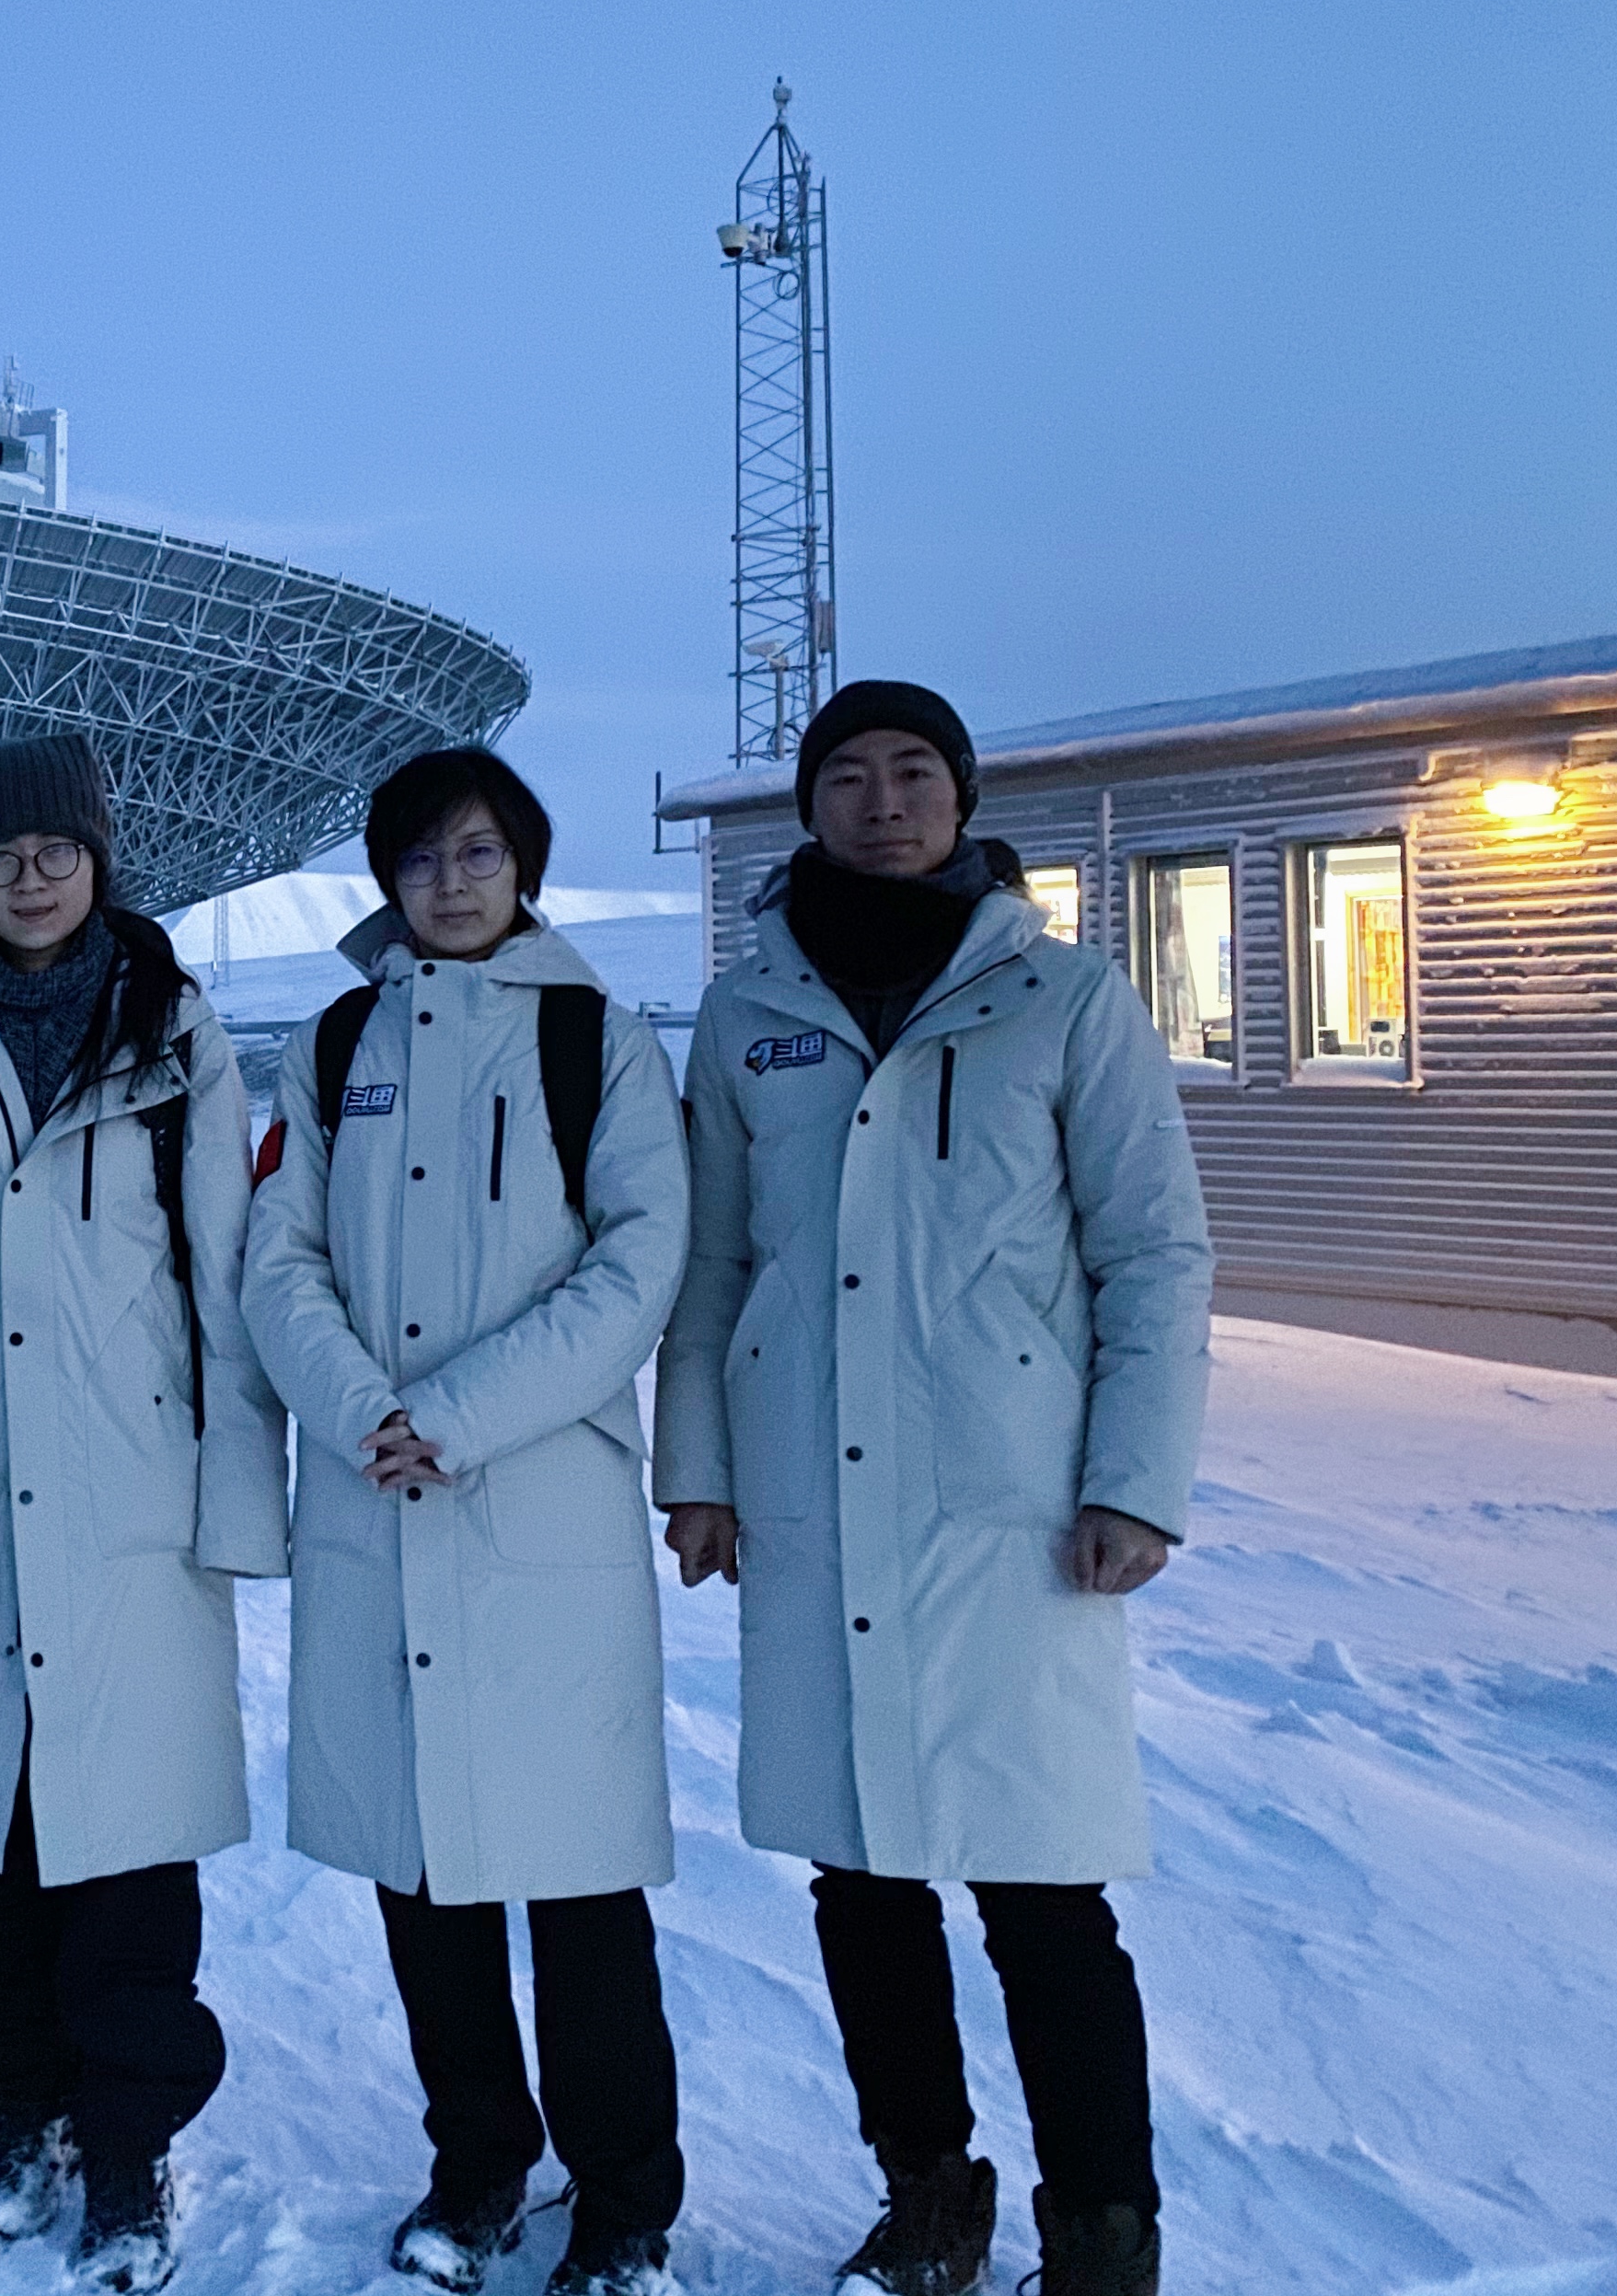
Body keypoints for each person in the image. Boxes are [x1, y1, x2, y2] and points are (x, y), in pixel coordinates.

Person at [653, 680, 1212, 2296]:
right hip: (813, 1501)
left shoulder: (1062, 999)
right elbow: (714, 1259)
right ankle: (931, 2199)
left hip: (1015, 1511)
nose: (882, 801)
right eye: (848, 774)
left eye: (914, 773)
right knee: (865, 1885)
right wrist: (699, 1468)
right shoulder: (746, 1010)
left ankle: (1104, 2236)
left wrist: (1137, 1481)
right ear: (809, 804)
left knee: (1045, 1898)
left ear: (961, 801)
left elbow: (1154, 1255)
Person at [240, 746, 695, 2296]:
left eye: (482, 851)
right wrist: (358, 1403)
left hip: (536, 1515)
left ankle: (627, 2199)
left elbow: (642, 1263)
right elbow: (275, 1254)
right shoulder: (335, 1038)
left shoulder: (594, 1041)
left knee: (577, 1888)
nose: (452, 879)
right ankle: (480, 2166)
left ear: (527, 867)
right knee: (425, 1883)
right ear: (385, 877)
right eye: (423, 855)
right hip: (375, 1507)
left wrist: (454, 1414)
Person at [0, 733, 291, 2296]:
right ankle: (24, 2107)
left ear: (99, 858)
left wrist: (238, 1503)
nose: (29, 878)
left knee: (128, 1850)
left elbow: (230, 1281)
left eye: (54, 852)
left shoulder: (178, 1036)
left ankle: (127, 2145)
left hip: (134, 1504)